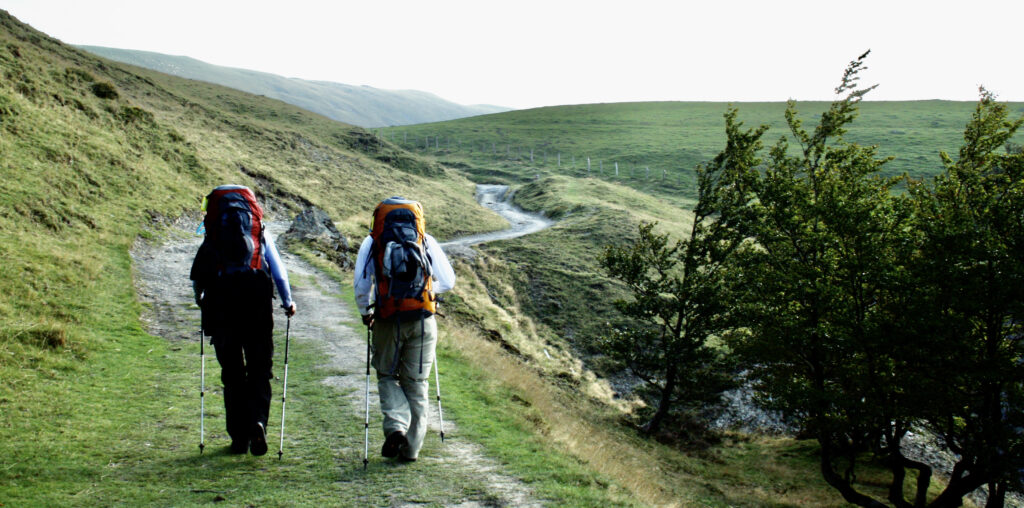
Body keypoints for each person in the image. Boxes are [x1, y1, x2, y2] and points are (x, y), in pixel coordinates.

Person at [190, 185, 297, 456]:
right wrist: (287, 302)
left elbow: (199, 274)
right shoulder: (259, 231)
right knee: (260, 369)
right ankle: (258, 421)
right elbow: (279, 271)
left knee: (233, 372)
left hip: (222, 301)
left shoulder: (212, 232)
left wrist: (201, 300)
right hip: (256, 298)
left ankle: (238, 438)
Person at [354, 196, 455, 462]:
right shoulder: (425, 240)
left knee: (387, 375)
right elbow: (448, 280)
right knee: (417, 383)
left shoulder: (372, 242)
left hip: (388, 318)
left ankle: (396, 427)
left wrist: (367, 313)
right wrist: (426, 293)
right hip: (422, 320)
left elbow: (361, 285)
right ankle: (410, 450)